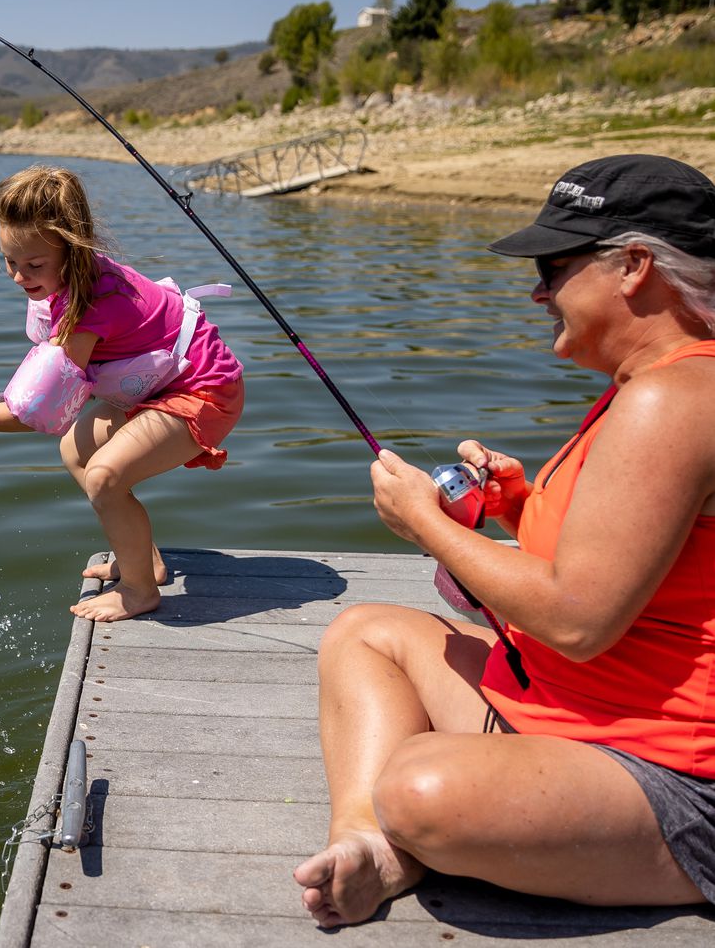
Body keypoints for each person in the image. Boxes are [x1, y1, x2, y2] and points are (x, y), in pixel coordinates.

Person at [294, 154, 715, 926]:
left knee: (421, 787)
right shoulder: (651, 384)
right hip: (571, 708)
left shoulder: (675, 397)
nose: (537, 292)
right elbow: (632, 561)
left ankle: (408, 832)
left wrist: (423, 521)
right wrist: (518, 507)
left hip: (672, 772)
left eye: (553, 268)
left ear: (634, 266)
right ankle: (368, 842)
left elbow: (579, 620)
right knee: (365, 632)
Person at [0, 165, 244, 622]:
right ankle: (146, 562)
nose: (19, 276)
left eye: (34, 265)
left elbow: (33, 415)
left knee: (104, 476)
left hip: (204, 390)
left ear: (73, 249)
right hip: (162, 385)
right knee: (76, 450)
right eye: (9, 261)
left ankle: (138, 591)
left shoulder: (92, 308)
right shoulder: (68, 283)